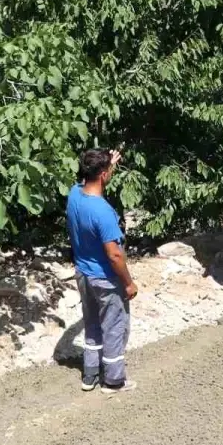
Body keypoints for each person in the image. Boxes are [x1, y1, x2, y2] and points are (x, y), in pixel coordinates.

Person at [68, 148, 137, 393]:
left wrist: (108, 163)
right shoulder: (103, 212)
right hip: (106, 279)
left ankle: (90, 375)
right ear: (105, 175)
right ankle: (114, 380)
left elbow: (90, 178)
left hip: (83, 275)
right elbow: (115, 255)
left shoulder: (74, 194)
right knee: (114, 327)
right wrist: (128, 283)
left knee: (92, 325)